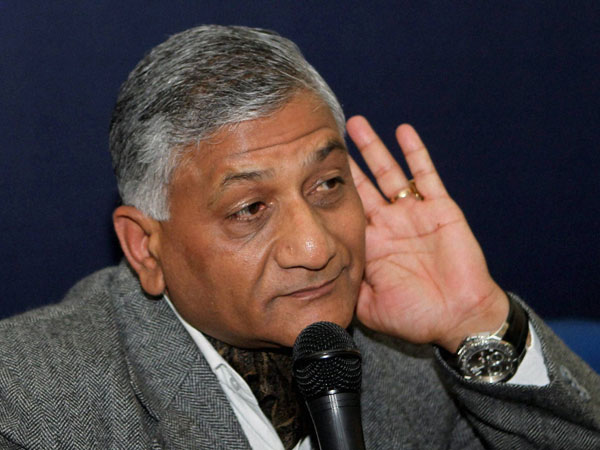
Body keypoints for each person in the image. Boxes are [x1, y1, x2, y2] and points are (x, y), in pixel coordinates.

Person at [0, 24, 598, 449]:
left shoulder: (418, 361)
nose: (315, 248)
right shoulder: (28, 403)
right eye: (249, 209)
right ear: (144, 247)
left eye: (329, 184)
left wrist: (477, 323)